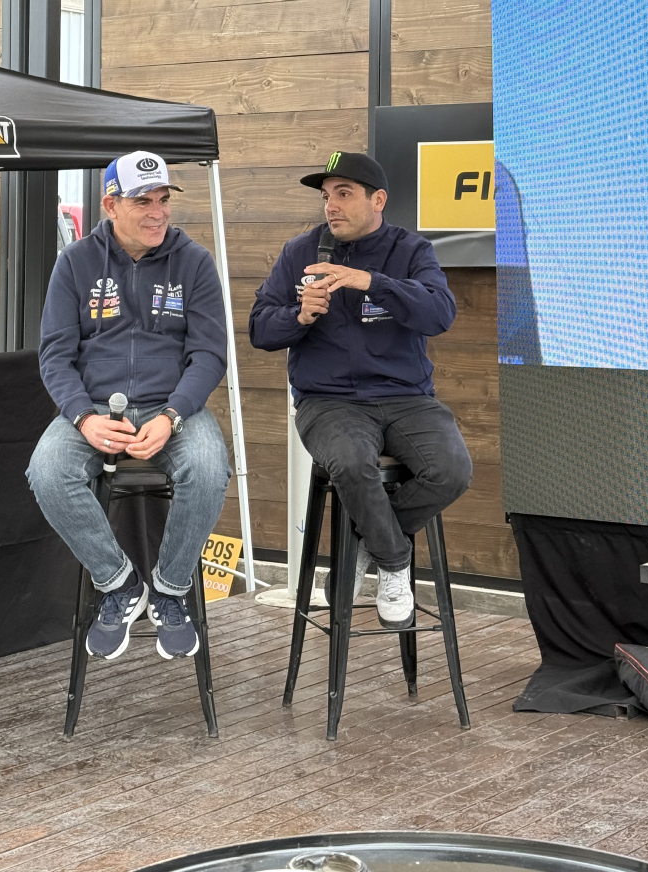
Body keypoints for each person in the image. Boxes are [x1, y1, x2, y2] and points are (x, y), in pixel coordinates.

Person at [249, 152, 472, 628]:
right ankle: (393, 561)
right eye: (327, 196)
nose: (331, 205)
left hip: (407, 398)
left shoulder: (410, 250)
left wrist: (370, 281)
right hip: (328, 401)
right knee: (351, 463)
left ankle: (363, 547)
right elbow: (259, 330)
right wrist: (299, 316)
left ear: (378, 200)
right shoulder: (300, 252)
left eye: (344, 194)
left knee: (451, 470)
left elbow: (440, 314)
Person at [27, 150, 231, 662]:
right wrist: (83, 417)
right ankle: (118, 583)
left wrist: (173, 415)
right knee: (47, 471)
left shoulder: (195, 262)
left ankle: (170, 588)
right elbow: (54, 355)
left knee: (209, 468)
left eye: (163, 199)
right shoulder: (75, 262)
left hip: (173, 407)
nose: (158, 212)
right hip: (93, 408)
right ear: (111, 205)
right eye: (144, 202)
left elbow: (209, 355)